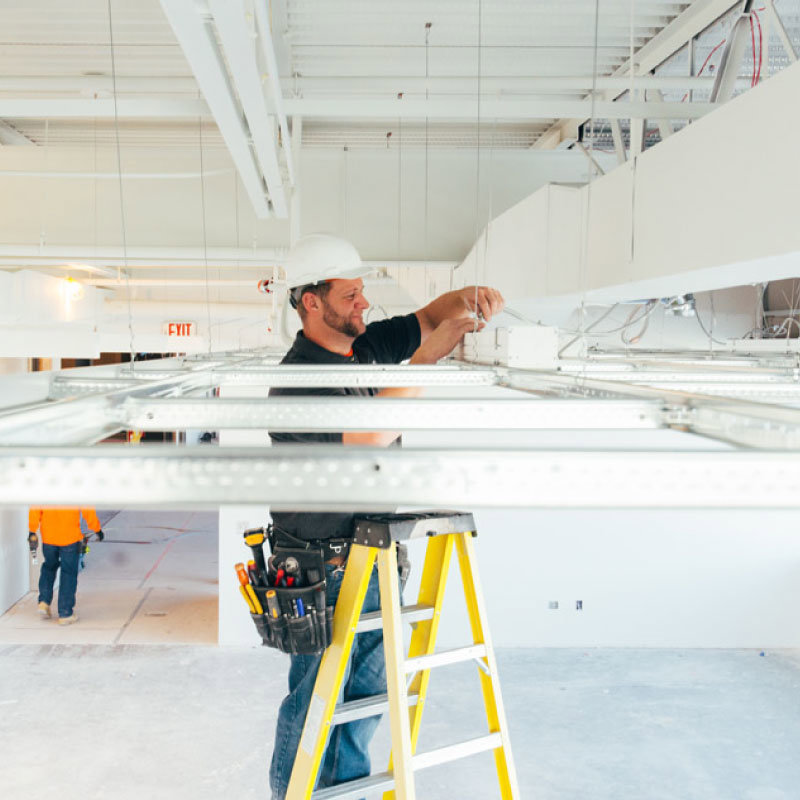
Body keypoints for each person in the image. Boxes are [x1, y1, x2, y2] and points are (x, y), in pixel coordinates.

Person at [267, 233, 504, 798]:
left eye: (361, 291)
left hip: (375, 559)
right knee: (315, 702)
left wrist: (467, 298)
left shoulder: (364, 349)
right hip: (319, 572)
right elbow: (368, 436)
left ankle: (343, 793)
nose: (363, 303)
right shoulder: (297, 378)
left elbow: (429, 315)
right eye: (350, 294)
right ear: (311, 302)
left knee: (364, 705)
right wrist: (428, 360)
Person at [28, 507, 104, 625]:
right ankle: (65, 613)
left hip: (48, 538)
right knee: (68, 574)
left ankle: (44, 602)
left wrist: (32, 530)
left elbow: (35, 508)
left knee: (49, 568)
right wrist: (97, 529)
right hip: (70, 538)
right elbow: (88, 509)